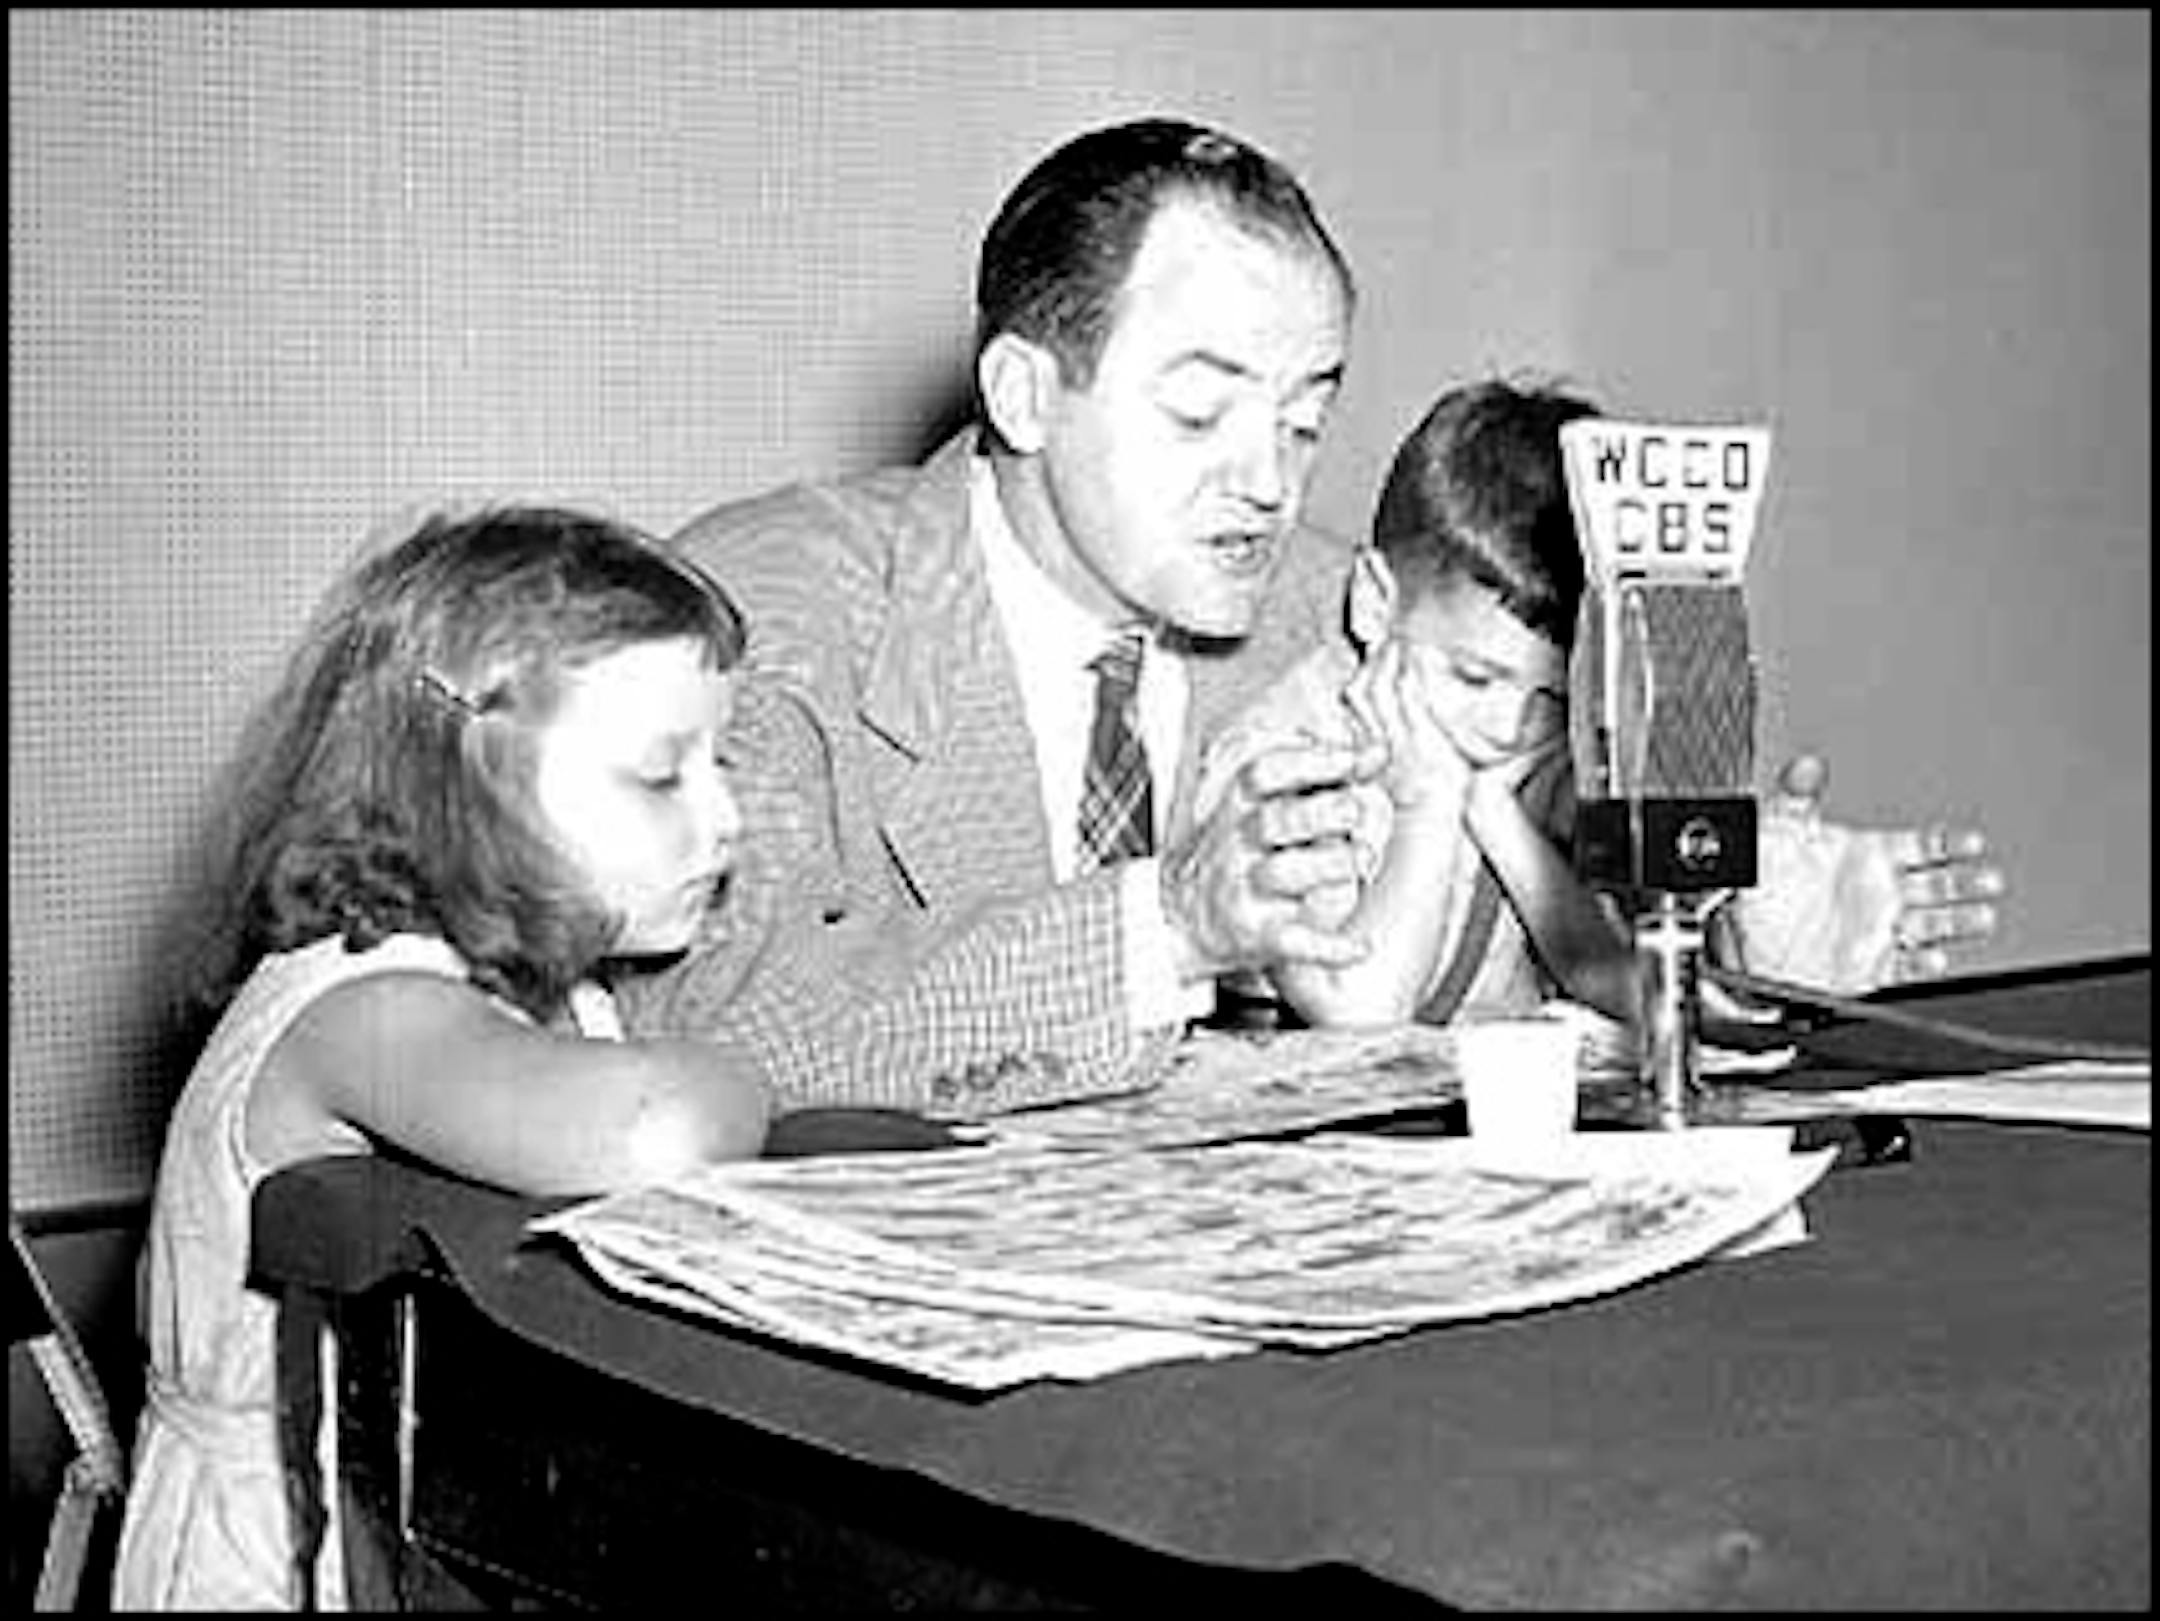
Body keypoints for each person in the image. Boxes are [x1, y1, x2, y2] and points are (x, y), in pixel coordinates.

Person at [619, 114, 2003, 1111]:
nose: (1268, 483)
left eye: (1303, 417)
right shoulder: (765, 614)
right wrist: (1169, 926)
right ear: (1027, 394)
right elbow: (699, 1028)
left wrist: (1718, 924)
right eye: (1201, 409)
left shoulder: (1347, 614)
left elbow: (1523, 909)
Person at [114, 507, 771, 1610]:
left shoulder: (549, 990)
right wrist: (748, 1075)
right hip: (280, 1551)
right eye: (662, 775)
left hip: (418, 1512)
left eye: (723, 762)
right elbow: (662, 1129)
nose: (728, 817)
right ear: (461, 789)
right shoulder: (367, 1007)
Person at [1193, 376, 2004, 1030]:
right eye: (1473, 677)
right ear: (1375, 603)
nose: (1507, 727)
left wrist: (1745, 955)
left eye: (1552, 695)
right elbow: (1359, 1010)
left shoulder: (1545, 750)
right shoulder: (1286, 764)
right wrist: (1430, 804)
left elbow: (1601, 972)